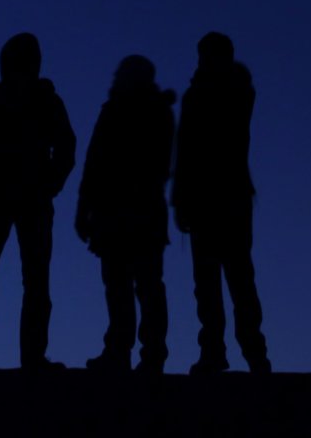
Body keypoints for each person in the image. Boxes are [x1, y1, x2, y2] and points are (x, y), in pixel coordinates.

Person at [0, 32, 76, 372]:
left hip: (23, 197)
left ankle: (2, 359)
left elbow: (66, 146)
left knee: (15, 280)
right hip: (12, 197)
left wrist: (50, 183)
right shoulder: (14, 99)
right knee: (2, 280)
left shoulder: (37, 100)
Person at [173, 32, 270, 374]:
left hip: (224, 198)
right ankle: (220, 352)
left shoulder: (227, 92)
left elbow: (189, 148)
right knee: (213, 281)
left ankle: (248, 352)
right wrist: (180, 199)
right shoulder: (204, 94)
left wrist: (180, 198)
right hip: (211, 199)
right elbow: (184, 151)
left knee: (234, 278)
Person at [74, 54, 176, 373]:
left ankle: (150, 352)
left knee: (144, 284)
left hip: (136, 210)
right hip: (115, 212)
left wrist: (90, 205)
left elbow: (159, 164)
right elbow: (93, 163)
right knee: (121, 284)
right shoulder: (117, 110)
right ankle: (122, 351)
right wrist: (85, 207)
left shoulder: (155, 111)